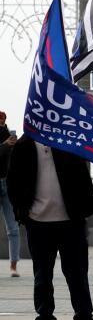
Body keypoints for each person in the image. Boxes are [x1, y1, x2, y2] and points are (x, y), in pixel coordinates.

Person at [6, 136, 93, 320]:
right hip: (38, 222)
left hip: (71, 222)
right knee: (42, 276)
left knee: (77, 276)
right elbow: (13, 182)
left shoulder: (66, 141)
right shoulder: (24, 145)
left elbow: (82, 176)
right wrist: (23, 212)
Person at [0, 111, 21, 277]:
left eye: (2, 118)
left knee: (13, 228)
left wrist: (16, 145)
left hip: (8, 183)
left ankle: (14, 265)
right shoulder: (6, 141)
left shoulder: (9, 136)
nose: (1, 121)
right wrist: (5, 145)